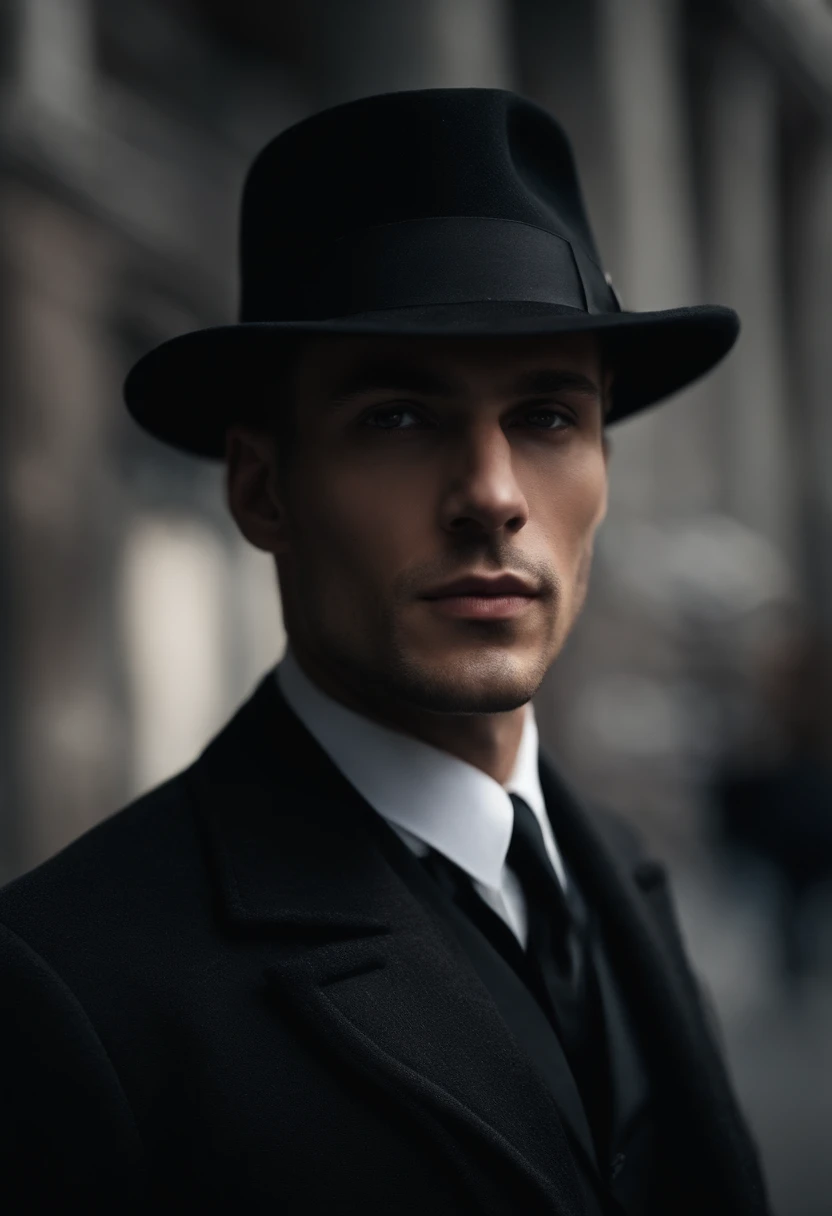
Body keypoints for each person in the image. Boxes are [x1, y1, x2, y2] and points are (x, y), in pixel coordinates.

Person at [0, 89, 771, 1215]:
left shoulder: (611, 866)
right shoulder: (65, 987)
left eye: (549, 416)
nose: (493, 497)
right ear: (265, 488)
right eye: (399, 416)